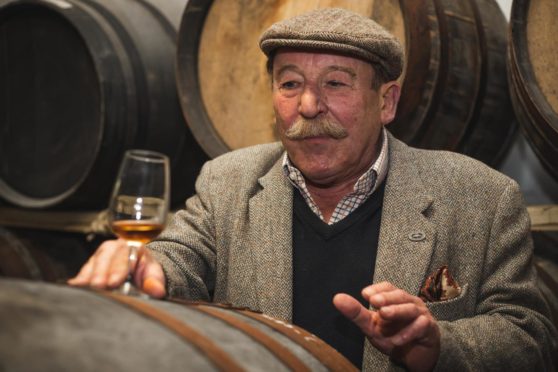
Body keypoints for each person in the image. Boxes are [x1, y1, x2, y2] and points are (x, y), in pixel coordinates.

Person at [69, 7, 557, 371]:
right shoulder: (228, 181)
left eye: (336, 84)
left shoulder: (479, 197)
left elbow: (528, 336)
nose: (308, 106)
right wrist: (145, 263)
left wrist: (438, 346)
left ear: (386, 102)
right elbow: (179, 257)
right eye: (289, 84)